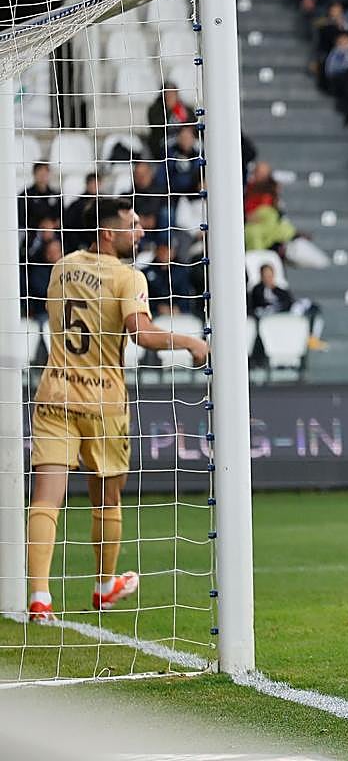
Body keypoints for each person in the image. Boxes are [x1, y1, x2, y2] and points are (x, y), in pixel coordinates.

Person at [26, 197, 208, 622]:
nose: (141, 231)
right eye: (132, 225)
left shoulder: (62, 267)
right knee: (106, 497)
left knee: (46, 500)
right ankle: (105, 586)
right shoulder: (128, 277)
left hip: (54, 396)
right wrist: (192, 343)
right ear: (109, 233)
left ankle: (39, 599)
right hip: (104, 402)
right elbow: (141, 335)